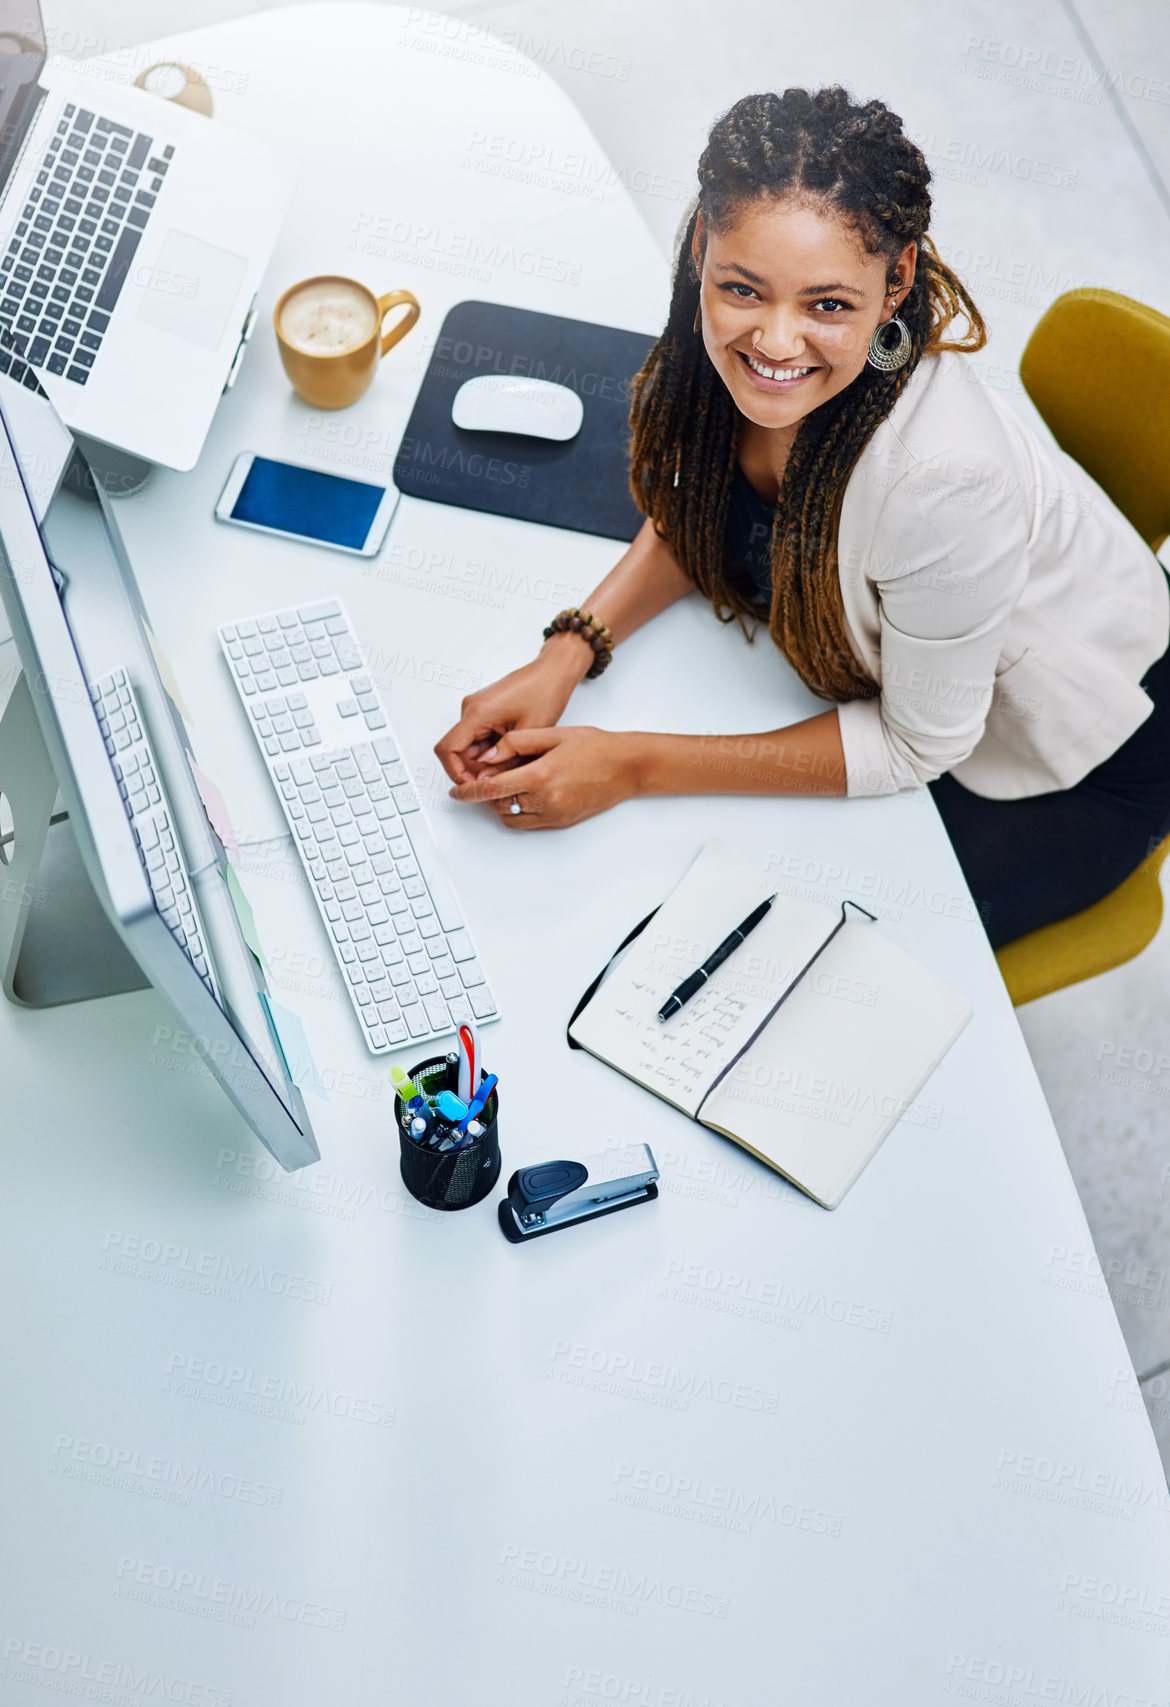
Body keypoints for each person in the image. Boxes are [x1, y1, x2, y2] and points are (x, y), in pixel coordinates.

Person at [434, 86, 1170, 950]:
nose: (776, 343)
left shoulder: (947, 482)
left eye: (828, 305)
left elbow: (912, 745)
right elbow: (703, 508)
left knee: (797, 956)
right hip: (937, 667)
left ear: (897, 278)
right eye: (745, 288)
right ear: (704, 244)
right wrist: (570, 650)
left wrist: (629, 763)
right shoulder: (728, 335)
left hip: (1062, 755)